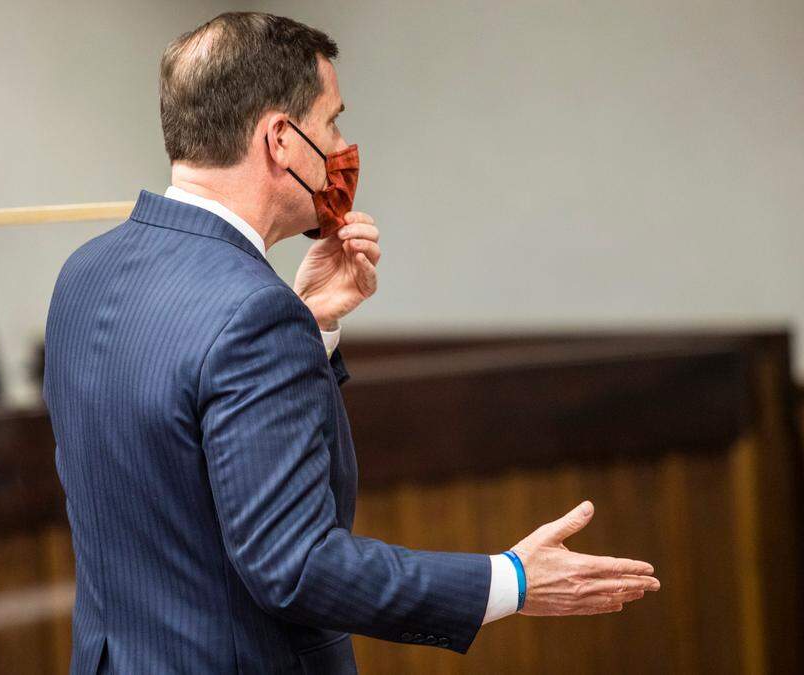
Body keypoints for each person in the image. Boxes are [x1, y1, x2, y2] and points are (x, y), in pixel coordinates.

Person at [43, 12, 659, 674]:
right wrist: (511, 580)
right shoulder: (253, 311)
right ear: (281, 138)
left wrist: (309, 324)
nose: (341, 145)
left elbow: (179, 465)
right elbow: (296, 564)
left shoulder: (85, 273)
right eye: (331, 122)